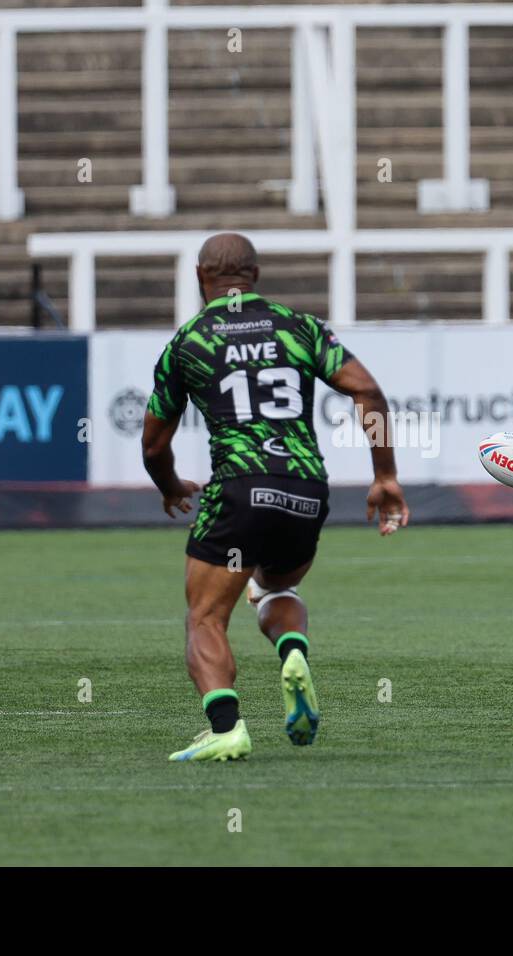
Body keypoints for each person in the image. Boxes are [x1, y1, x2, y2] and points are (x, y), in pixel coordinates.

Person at [142, 232, 409, 761]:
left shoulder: (189, 341)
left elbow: (153, 444)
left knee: (205, 617)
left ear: (200, 278)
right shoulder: (297, 326)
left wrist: (171, 487)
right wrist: (384, 476)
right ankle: (292, 649)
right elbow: (369, 391)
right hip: (306, 490)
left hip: (240, 488)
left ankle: (226, 728)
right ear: (255, 277)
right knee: (271, 590)